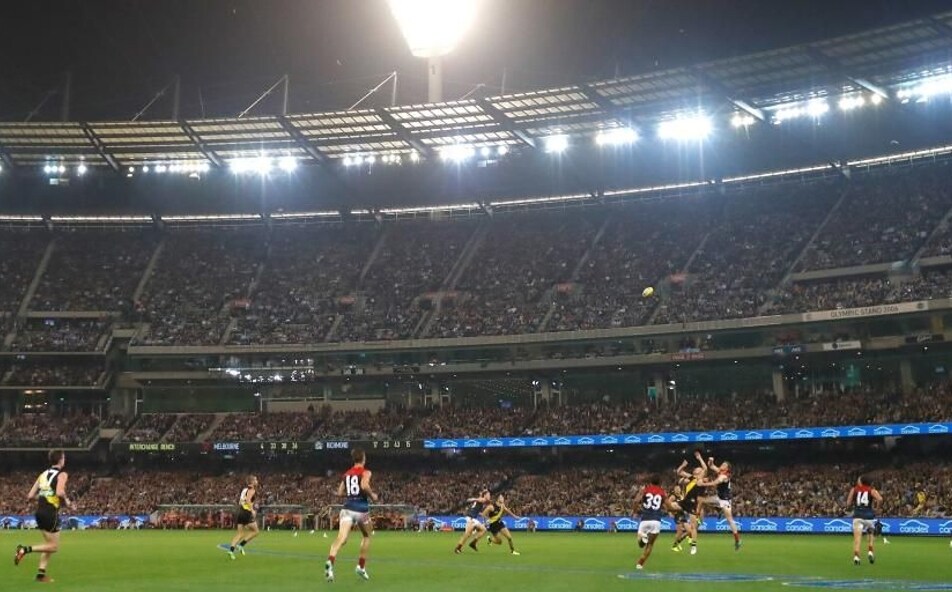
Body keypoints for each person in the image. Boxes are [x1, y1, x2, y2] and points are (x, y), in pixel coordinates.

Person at [14, 450, 74, 583]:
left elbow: (30, 496)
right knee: (54, 547)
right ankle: (24, 549)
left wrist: (44, 495)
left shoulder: (43, 474)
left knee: (49, 545)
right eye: (64, 458)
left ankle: (40, 575)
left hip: (39, 513)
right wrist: (68, 502)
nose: (64, 460)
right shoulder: (62, 474)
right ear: (60, 460)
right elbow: (59, 492)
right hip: (50, 513)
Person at [326, 448, 378, 582]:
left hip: (347, 508)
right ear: (363, 458)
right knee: (367, 536)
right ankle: (361, 566)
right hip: (361, 510)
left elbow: (339, 493)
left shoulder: (346, 474)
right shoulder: (366, 472)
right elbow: (364, 485)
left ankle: (330, 562)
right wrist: (373, 495)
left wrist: (351, 493)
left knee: (341, 538)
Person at [696, 451, 742, 550]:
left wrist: (702, 484)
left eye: (724, 465)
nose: (722, 465)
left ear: (727, 469)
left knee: (730, 520)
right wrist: (710, 461)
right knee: (701, 500)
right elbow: (711, 466)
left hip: (725, 501)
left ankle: (737, 540)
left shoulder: (724, 476)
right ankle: (703, 517)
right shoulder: (720, 472)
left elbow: (714, 483)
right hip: (719, 498)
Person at [634, 473, 677, 571]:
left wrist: (635, 512)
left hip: (645, 519)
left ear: (650, 481)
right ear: (660, 482)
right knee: (650, 544)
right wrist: (675, 510)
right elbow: (669, 507)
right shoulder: (662, 492)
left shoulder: (645, 490)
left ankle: (643, 537)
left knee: (640, 543)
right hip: (656, 520)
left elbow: (636, 501)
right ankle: (640, 563)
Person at [846, 475, 883, 566]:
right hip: (869, 517)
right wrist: (877, 509)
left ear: (861, 481)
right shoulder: (871, 490)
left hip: (858, 516)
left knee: (857, 538)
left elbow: (848, 503)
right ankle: (870, 551)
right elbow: (880, 499)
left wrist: (851, 506)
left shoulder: (854, 489)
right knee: (870, 534)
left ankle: (856, 557)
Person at [228, 475, 260, 560]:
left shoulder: (244, 490)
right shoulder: (251, 490)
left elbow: (241, 501)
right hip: (246, 512)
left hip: (240, 511)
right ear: (252, 482)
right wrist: (252, 510)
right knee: (256, 531)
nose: (257, 481)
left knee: (240, 533)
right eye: (256, 480)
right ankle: (241, 545)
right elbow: (248, 500)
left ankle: (231, 550)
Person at [454, 489, 490, 554]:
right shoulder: (483, 499)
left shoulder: (481, 501)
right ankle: (458, 548)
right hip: (470, 518)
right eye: (488, 494)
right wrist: (473, 499)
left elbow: (477, 510)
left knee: (483, 529)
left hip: (474, 519)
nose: (489, 496)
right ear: (485, 495)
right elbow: (479, 500)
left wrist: (484, 516)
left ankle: (473, 543)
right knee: (467, 534)